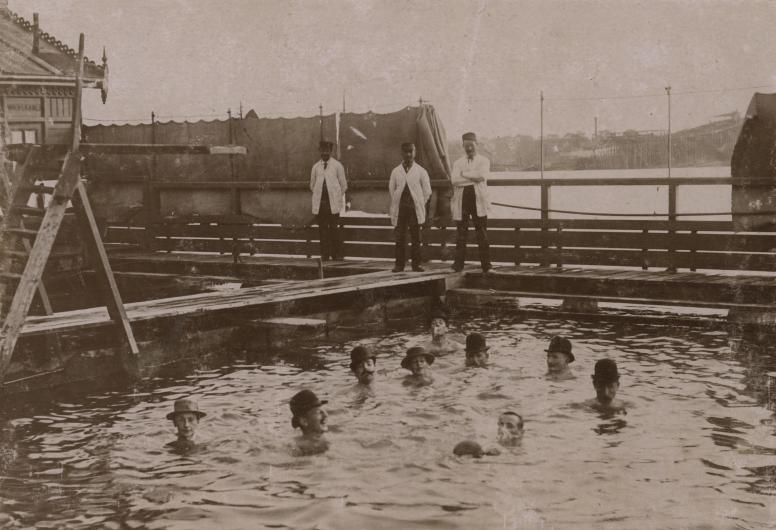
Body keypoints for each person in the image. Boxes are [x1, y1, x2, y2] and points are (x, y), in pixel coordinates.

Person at [450, 132, 492, 273]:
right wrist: (471, 177)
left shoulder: (484, 161)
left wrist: (464, 175)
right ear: (463, 146)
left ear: (477, 145)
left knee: (482, 233)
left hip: (478, 199)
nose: (469, 149)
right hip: (463, 201)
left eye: (471, 145)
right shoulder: (457, 163)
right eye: (466, 146)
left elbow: (481, 176)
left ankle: (486, 265)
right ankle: (458, 265)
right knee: (461, 234)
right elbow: (455, 180)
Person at [388, 142, 432, 272]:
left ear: (415, 152)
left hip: (414, 209)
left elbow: (427, 190)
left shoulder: (421, 171)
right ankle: (399, 265)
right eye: (405, 152)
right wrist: (398, 201)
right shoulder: (396, 171)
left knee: (416, 237)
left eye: (411, 151)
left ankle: (416, 264)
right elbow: (392, 189)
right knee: (400, 236)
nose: (408, 154)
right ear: (402, 153)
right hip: (401, 208)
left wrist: (419, 202)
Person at [310, 140, 347, 261]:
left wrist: (336, 196)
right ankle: (324, 255)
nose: (325, 153)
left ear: (331, 151)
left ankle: (336, 255)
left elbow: (344, 185)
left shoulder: (337, 166)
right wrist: (319, 194)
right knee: (322, 230)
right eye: (323, 150)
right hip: (321, 204)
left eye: (327, 150)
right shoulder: (316, 167)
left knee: (334, 229)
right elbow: (312, 185)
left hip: (333, 204)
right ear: (319, 151)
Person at [290, 389, 330, 455]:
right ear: (304, 421)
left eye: (323, 410)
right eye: (318, 412)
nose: (325, 415)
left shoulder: (326, 441)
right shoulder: (297, 448)